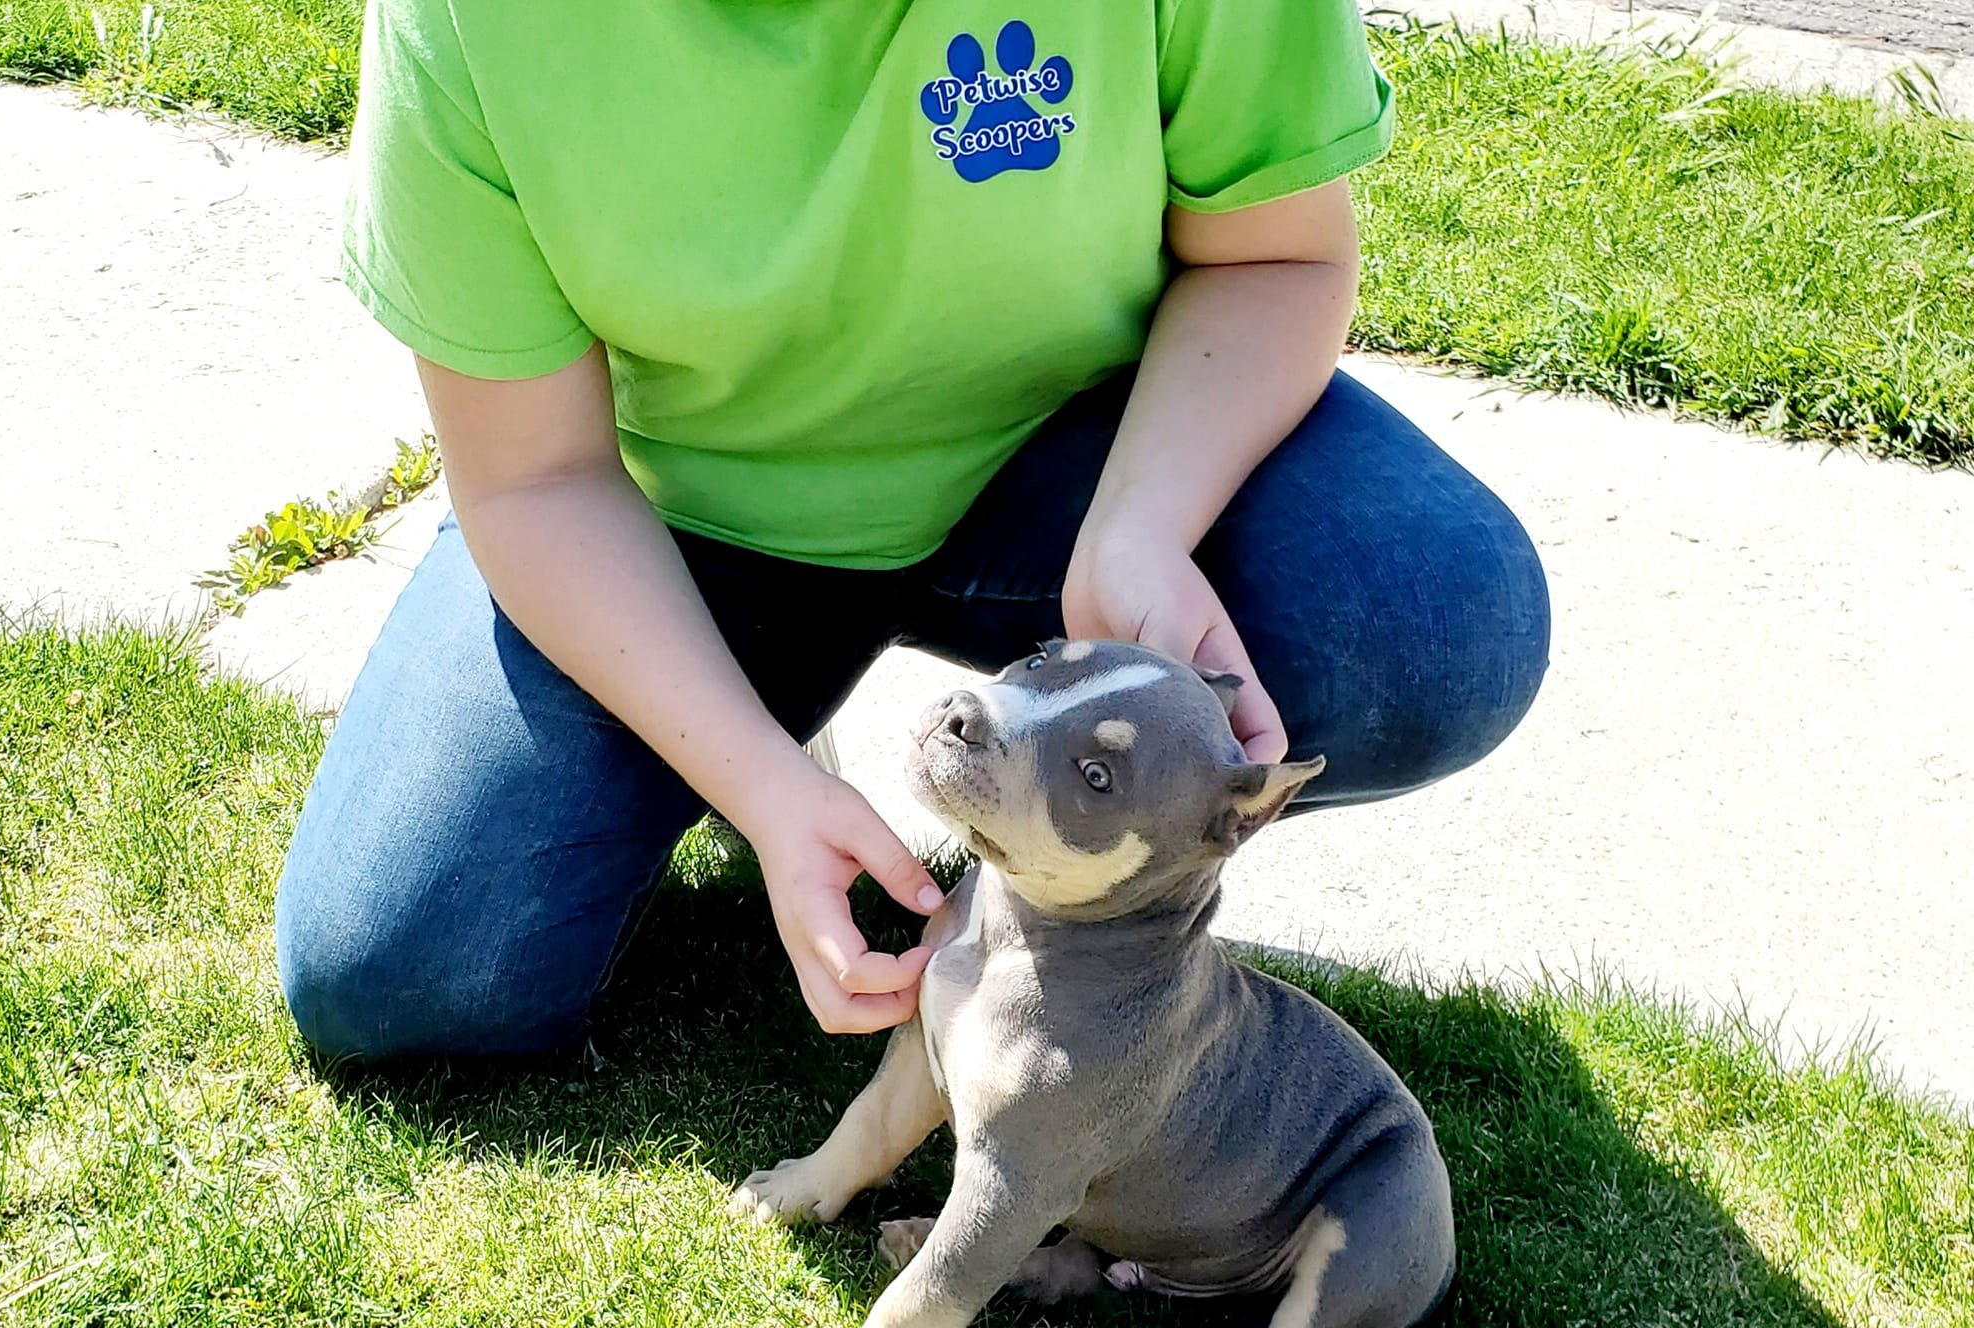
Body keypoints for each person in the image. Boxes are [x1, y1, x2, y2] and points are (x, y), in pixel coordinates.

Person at [276, 1, 1550, 1064]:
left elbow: (1273, 257)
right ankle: (766, 719)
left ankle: (1073, 872)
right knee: (394, 974)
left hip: (1087, 452)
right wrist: (767, 794)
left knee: (1431, 623)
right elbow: (535, 477)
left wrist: (1143, 525)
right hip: (693, 520)